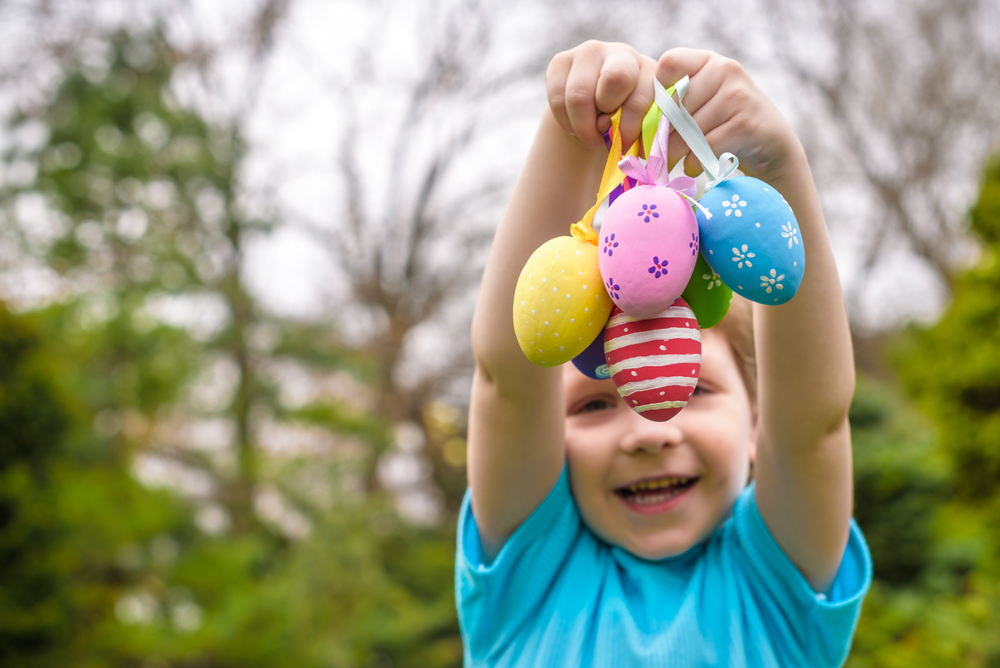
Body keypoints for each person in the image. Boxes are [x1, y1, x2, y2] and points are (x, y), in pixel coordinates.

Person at [457, 41, 872, 667]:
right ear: (553, 435)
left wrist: (777, 170)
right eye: (594, 405)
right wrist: (574, 129)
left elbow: (812, 430)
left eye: (696, 390)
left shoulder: (774, 586)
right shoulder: (529, 577)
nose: (650, 432)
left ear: (758, 421)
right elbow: (511, 378)